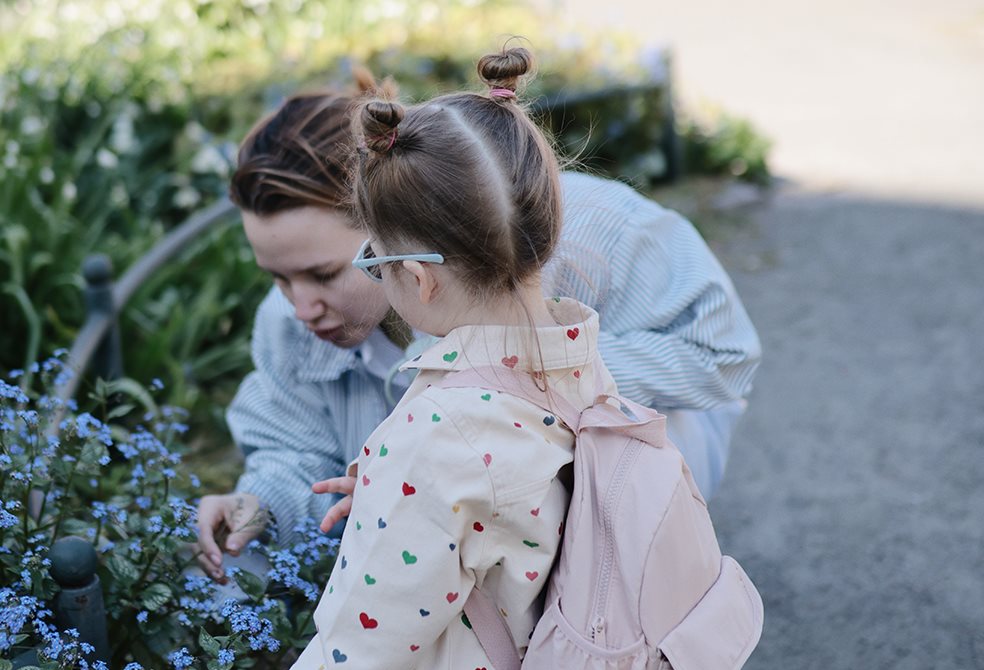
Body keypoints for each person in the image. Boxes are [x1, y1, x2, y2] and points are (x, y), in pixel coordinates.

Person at [250, 45, 621, 670]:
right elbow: (509, 486)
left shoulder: (441, 428)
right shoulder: (566, 351)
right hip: (536, 660)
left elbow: (382, 613)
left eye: (371, 260)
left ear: (415, 277)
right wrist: (382, 480)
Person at [195, 73, 760, 576]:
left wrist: (526, 367)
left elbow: (722, 356)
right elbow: (295, 449)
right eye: (278, 278)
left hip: (623, 523)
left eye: (322, 274)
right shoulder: (288, 322)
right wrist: (262, 504)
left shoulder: (597, 230)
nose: (300, 307)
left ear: (390, 224)